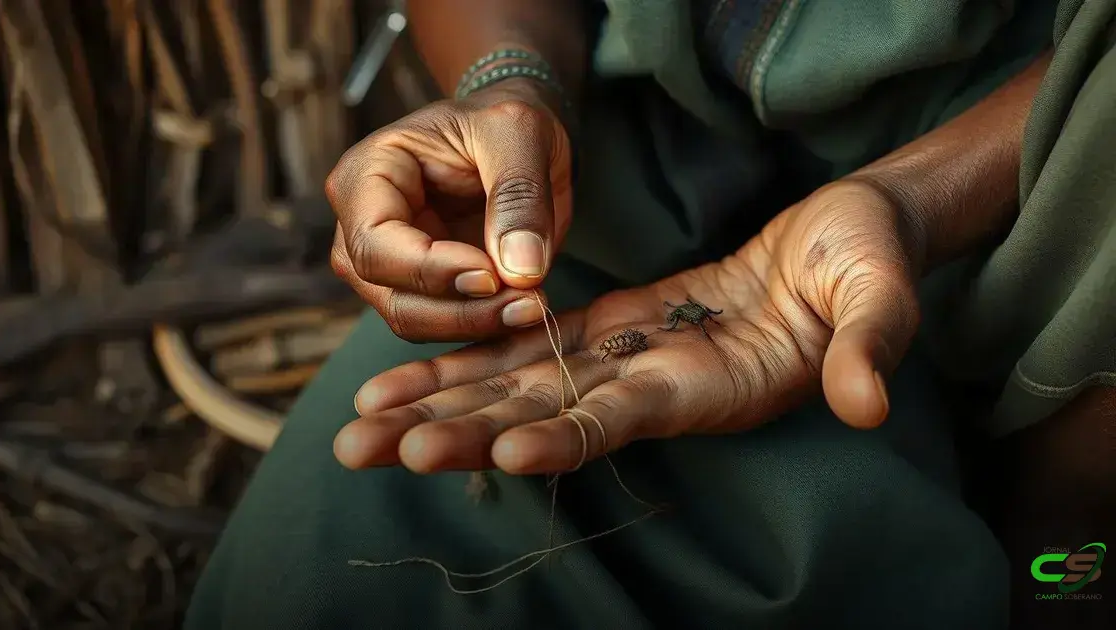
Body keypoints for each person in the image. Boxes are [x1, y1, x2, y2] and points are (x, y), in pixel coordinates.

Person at [185, 0, 1116, 628]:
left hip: (1043, 205)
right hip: (636, 201)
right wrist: (512, 85)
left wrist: (912, 202)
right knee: (321, 559)